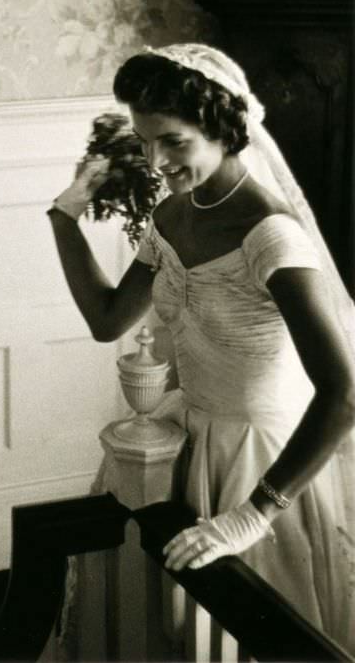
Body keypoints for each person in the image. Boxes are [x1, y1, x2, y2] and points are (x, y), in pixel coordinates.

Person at [47, 43, 355, 654]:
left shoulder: (269, 233)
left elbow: (344, 393)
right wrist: (65, 214)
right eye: (146, 141)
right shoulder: (170, 217)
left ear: (222, 130)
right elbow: (108, 320)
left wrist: (252, 515)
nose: (157, 160)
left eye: (174, 142)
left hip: (262, 462)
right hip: (184, 440)